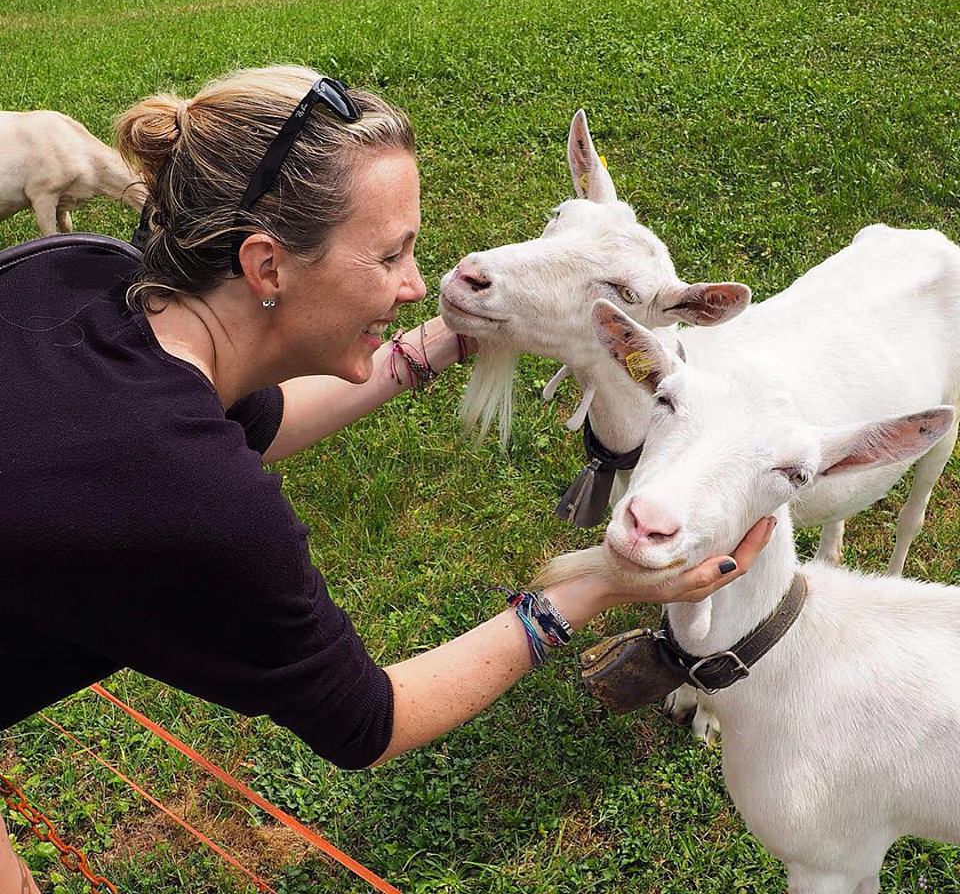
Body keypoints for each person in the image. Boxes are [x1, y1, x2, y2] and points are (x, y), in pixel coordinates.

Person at [0, 66, 774, 890]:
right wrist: (591, 589)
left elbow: (241, 419)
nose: (413, 283)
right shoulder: (204, 504)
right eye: (391, 255)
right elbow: (369, 719)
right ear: (267, 267)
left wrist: (435, 342)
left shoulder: (70, 270)